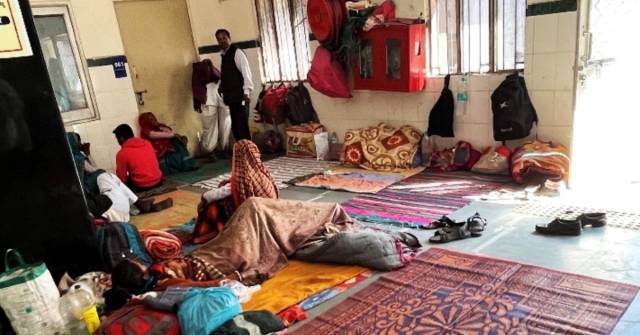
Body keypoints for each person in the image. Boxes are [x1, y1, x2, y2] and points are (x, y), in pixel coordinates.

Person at [111, 197, 421, 294]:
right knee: (257, 209)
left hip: (224, 244)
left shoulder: (162, 278)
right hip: (230, 253)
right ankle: (308, 219)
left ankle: (290, 221)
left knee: (255, 209)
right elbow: (212, 278)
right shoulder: (166, 281)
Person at [193, 140, 278, 243]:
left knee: (213, 205)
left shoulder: (242, 179)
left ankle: (214, 232)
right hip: (270, 216)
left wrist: (204, 199)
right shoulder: (263, 173)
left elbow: (209, 196)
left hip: (255, 221)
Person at [216, 28, 253, 141]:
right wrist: (222, 87)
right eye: (219, 39)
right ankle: (242, 155)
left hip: (241, 97)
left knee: (242, 129)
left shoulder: (237, 53)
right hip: (231, 99)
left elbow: (246, 74)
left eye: (224, 38)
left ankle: (250, 156)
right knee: (236, 129)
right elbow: (228, 75)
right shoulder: (224, 55)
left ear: (229, 38)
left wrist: (246, 93)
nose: (222, 41)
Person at [113, 124, 163, 192]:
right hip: (158, 181)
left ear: (121, 138)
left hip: (141, 186)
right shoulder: (147, 143)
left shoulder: (122, 153)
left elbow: (122, 178)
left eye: (117, 138)